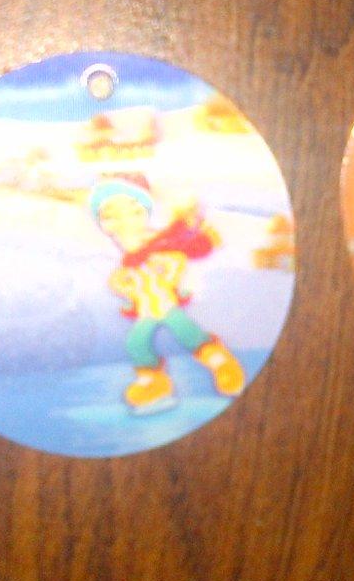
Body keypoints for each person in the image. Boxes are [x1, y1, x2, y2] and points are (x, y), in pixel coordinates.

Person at [90, 174, 245, 414]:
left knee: (187, 333)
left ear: (143, 212)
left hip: (165, 303)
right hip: (146, 308)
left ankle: (222, 364)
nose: (121, 223)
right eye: (109, 216)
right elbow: (124, 278)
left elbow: (179, 258)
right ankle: (152, 382)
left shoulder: (161, 242)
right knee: (136, 342)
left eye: (133, 211)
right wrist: (123, 283)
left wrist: (166, 270)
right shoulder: (126, 251)